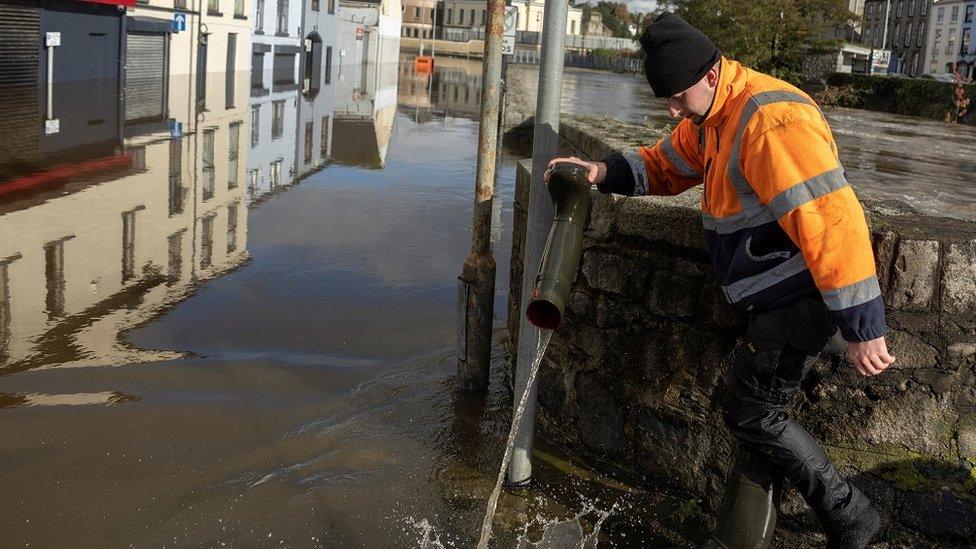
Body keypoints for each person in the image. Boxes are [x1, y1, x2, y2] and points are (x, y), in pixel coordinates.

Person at [544, 12, 896, 549]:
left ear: (710, 76)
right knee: (762, 421)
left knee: (752, 412)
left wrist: (863, 326)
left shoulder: (769, 122)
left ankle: (851, 515)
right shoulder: (714, 115)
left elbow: (833, 221)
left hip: (798, 298)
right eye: (665, 99)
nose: (672, 110)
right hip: (775, 298)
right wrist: (602, 173)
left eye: (678, 97)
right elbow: (668, 163)